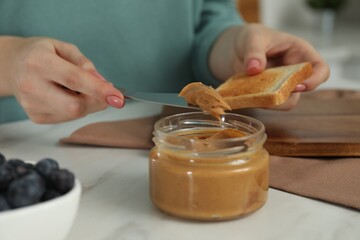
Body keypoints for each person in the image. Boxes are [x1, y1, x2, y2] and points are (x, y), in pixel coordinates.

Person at [0, 0, 329, 124]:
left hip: (183, 129)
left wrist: (236, 47)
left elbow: (208, 16)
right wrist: (11, 61)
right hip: (26, 151)